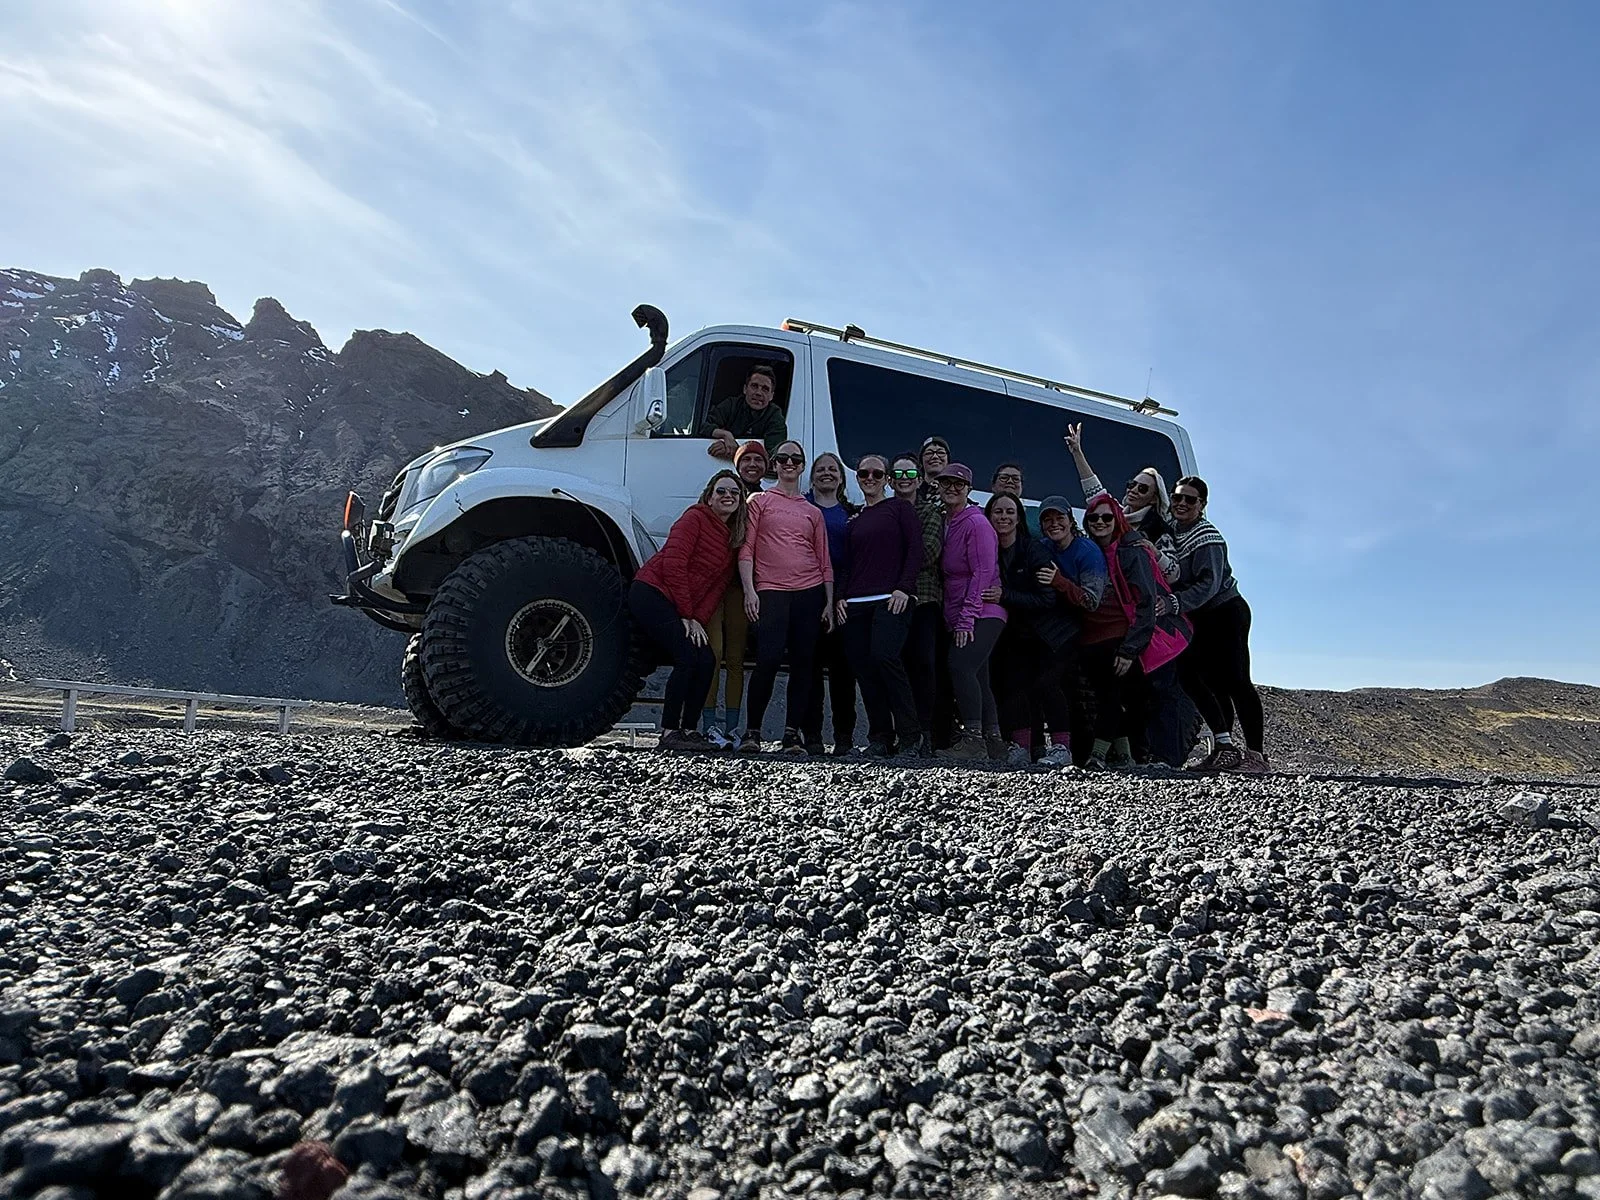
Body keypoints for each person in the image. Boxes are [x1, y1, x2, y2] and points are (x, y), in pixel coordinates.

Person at [630, 471, 746, 750]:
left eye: (734, 492)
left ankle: (689, 730)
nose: (728, 496)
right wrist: (686, 614)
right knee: (685, 656)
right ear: (709, 496)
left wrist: (696, 619)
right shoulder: (694, 518)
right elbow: (673, 563)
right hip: (652, 593)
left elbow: (715, 590)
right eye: (721, 491)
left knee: (706, 658)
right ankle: (669, 732)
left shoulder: (732, 540)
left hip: (683, 608)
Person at [1078, 494, 1189, 770]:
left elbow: (1146, 603)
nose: (1100, 522)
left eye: (1107, 517)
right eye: (1094, 517)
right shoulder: (1088, 550)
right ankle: (1127, 757)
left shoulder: (1131, 551)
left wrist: (1130, 649)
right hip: (1092, 637)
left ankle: (1099, 756)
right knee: (1113, 695)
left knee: (1118, 696)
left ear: (1117, 519)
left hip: (1122, 636)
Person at [1166, 476, 1268, 773]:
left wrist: (1176, 603)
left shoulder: (1206, 537)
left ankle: (1256, 756)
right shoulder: (1172, 531)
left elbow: (1208, 584)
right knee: (1201, 679)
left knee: (1236, 681)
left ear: (1202, 505)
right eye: (1177, 498)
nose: (1182, 503)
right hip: (1199, 615)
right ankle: (1224, 748)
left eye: (1190, 499)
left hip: (1225, 611)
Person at [738, 440, 834, 754]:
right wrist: (750, 590)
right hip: (771, 590)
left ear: (803, 466)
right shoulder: (759, 501)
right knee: (767, 660)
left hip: (810, 592)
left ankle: (791, 735)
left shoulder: (812, 511)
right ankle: (752, 732)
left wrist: (830, 602)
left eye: (796, 459)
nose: (789, 463)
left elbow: (824, 560)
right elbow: (747, 548)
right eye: (783, 458)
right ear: (774, 464)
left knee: (804, 664)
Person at [835, 454, 923, 757]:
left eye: (876, 474)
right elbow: (848, 564)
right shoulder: (854, 520)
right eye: (863, 474)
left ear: (887, 478)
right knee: (865, 670)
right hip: (855, 603)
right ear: (857, 478)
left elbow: (915, 550)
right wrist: (840, 598)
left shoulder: (900, 509)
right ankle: (880, 737)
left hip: (891, 599)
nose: (869, 479)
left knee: (886, 658)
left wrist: (904, 588)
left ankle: (911, 736)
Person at [935, 463, 1005, 760]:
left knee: (960, 666)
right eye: (946, 483)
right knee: (979, 675)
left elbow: (983, 572)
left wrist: (967, 619)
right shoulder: (948, 521)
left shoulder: (976, 523)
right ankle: (994, 742)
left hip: (982, 611)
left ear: (968, 489)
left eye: (959, 484)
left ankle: (973, 740)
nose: (952, 488)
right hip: (962, 609)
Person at [700, 440, 767, 744]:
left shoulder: (763, 501)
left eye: (758, 459)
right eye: (746, 459)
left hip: (741, 589)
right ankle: (709, 724)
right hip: (714, 590)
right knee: (713, 654)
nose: (753, 464)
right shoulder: (718, 503)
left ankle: (732, 726)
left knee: (736, 658)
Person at [1034, 495, 1109, 765]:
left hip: (1088, 629)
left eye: (1059, 518)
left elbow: (1092, 601)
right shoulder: (1042, 547)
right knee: (1063, 687)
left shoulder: (1087, 551)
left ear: (1070, 520)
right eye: (1047, 519)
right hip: (1053, 625)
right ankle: (1068, 751)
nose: (1054, 524)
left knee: (1055, 683)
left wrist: (1059, 582)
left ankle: (1063, 749)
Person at [982, 492, 1055, 766]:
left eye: (1009, 512)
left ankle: (1028, 747)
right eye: (998, 512)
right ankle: (1014, 744)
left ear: (1018, 518)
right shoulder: (986, 548)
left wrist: (1005, 595)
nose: (1003, 517)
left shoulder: (1033, 550)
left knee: (1024, 689)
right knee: (1002, 687)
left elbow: (1046, 599)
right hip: (1001, 630)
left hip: (1035, 631)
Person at [1064, 423, 1178, 581]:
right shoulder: (1114, 512)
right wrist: (1077, 453)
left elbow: (1174, 575)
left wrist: (1154, 552)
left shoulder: (1159, 529)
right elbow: (1094, 489)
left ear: (1153, 498)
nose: (1134, 489)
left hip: (1134, 595)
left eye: (1143, 488)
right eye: (1132, 484)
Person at [802, 452, 859, 755]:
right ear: (812, 478)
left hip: (842, 597)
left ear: (841, 477)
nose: (827, 473)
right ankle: (811, 736)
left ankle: (844, 737)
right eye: (820, 469)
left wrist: (842, 596)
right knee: (809, 669)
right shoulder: (801, 508)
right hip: (808, 595)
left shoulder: (852, 513)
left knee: (843, 672)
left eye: (832, 469)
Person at [891, 454, 944, 757]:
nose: (905, 476)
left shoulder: (930, 513)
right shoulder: (883, 512)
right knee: (896, 667)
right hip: (890, 603)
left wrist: (891, 560)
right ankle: (903, 732)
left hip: (923, 599)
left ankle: (925, 732)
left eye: (911, 471)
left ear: (920, 477)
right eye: (898, 472)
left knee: (923, 665)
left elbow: (928, 554)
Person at [701, 364, 788, 460]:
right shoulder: (731, 405)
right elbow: (703, 427)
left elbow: (773, 455)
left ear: (771, 396)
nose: (758, 393)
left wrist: (736, 450)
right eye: (754, 386)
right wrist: (725, 435)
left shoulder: (775, 415)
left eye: (765, 389)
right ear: (745, 389)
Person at [989, 463, 1041, 537]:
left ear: (1021, 487)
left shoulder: (1037, 514)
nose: (1010, 481)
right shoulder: (981, 515)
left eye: (1016, 479)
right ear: (993, 486)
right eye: (1004, 477)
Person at [918, 436, 951, 501]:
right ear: (921, 460)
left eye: (941, 453)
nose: (935, 456)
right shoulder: (912, 492)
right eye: (929, 453)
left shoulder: (955, 492)